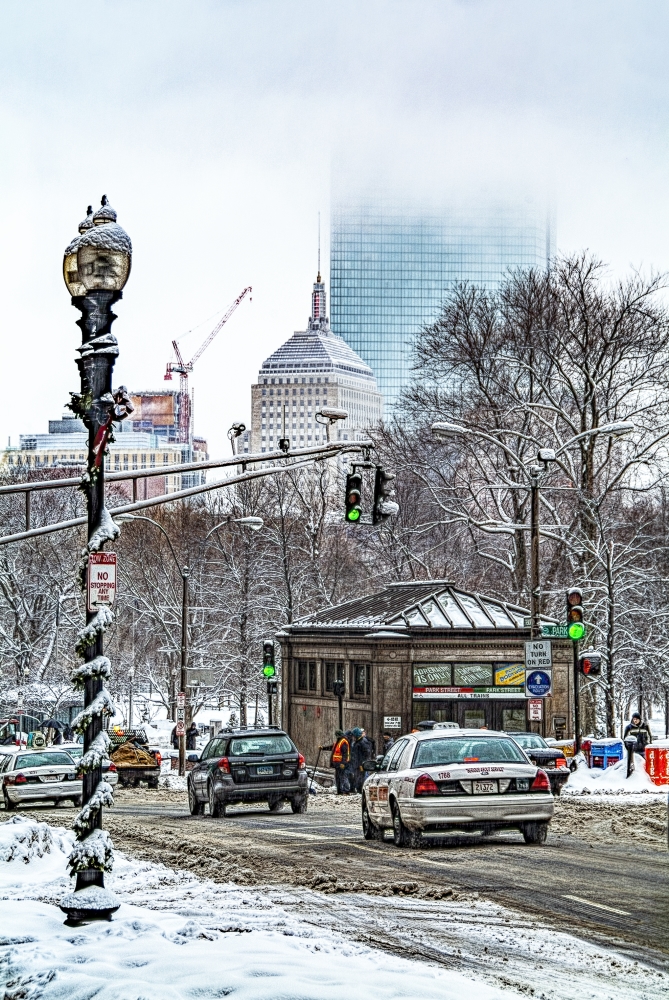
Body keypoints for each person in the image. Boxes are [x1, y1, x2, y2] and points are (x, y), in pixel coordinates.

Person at [350, 727, 374, 793]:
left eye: (354, 736)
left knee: (361, 778)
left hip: (361, 764)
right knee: (357, 778)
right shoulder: (357, 742)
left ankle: (361, 791)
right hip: (356, 764)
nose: (353, 737)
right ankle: (358, 790)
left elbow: (367, 754)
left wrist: (362, 764)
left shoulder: (363, 742)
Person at [327, 729, 351, 794]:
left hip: (341, 763)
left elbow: (345, 754)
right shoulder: (339, 741)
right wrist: (323, 748)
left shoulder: (343, 741)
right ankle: (339, 790)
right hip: (337, 763)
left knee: (343, 777)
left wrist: (343, 763)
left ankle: (346, 790)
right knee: (338, 777)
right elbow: (332, 748)